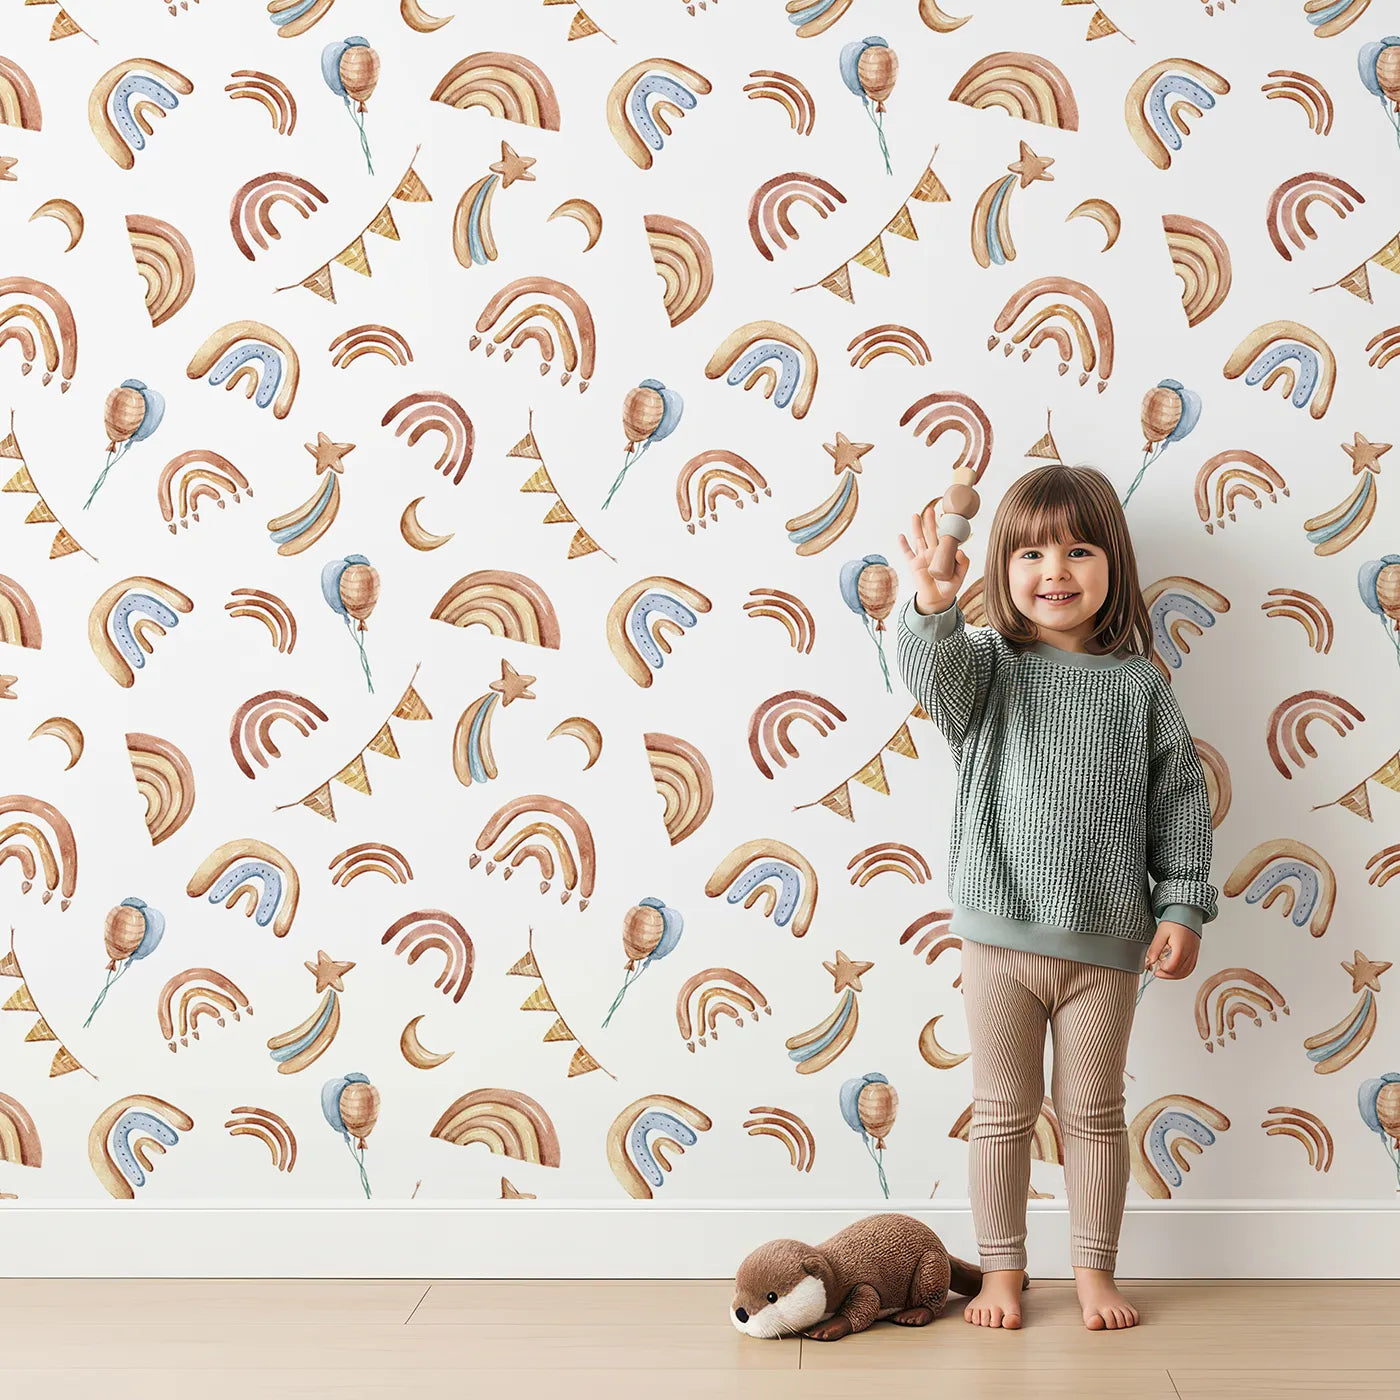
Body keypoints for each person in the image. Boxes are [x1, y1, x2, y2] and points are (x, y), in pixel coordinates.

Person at [894, 462, 1218, 1332]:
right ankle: (1002, 1275)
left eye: (1079, 549)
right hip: (998, 938)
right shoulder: (988, 669)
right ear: (1001, 568)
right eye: (1031, 552)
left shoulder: (1141, 684)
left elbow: (1180, 799)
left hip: (1106, 946)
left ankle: (1093, 1273)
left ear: (1113, 562)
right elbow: (928, 675)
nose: (1055, 571)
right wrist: (930, 602)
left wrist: (1183, 904)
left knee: (1095, 1115)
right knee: (1001, 1113)